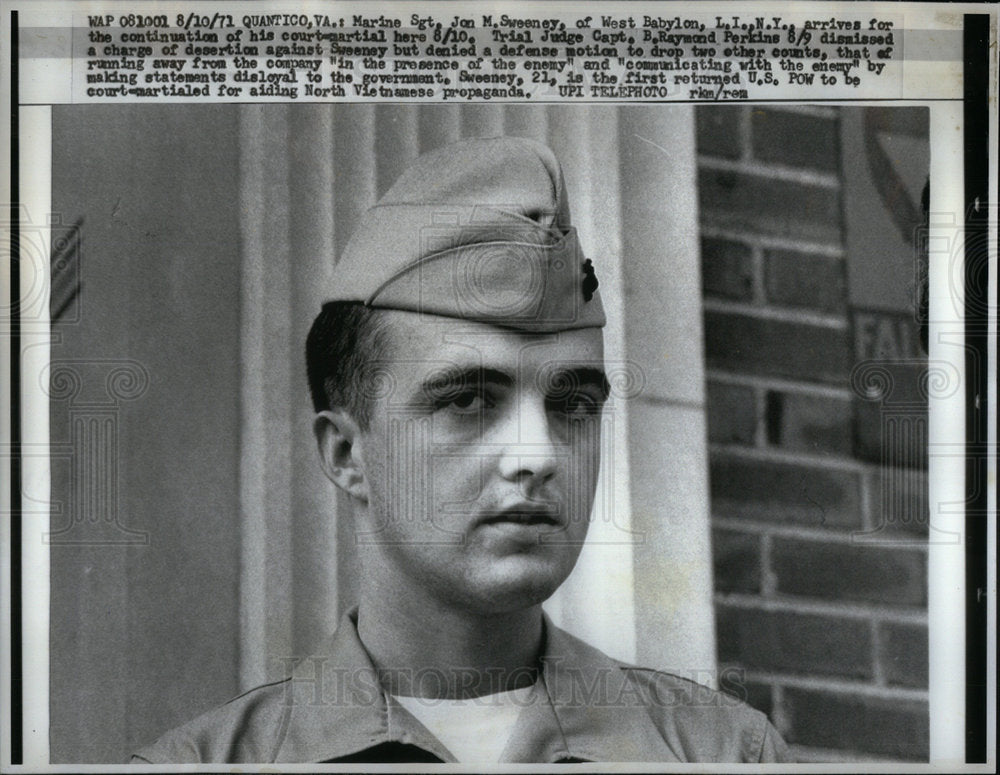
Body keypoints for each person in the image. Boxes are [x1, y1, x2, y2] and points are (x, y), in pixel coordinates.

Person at [132, 136, 789, 764]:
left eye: (572, 404)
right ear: (344, 453)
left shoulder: (722, 753)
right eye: (469, 401)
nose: (538, 455)